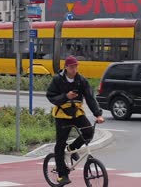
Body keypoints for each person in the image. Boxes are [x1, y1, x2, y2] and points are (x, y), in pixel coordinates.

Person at [46, 55, 105, 185]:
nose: (74, 69)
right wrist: (66, 96)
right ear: (66, 67)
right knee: (60, 145)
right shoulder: (58, 80)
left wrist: (98, 114)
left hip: (77, 113)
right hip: (62, 115)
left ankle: (72, 148)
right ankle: (62, 175)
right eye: (72, 67)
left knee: (89, 132)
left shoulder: (81, 80)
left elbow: (90, 97)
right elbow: (50, 96)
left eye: (76, 66)